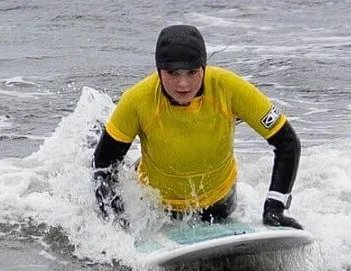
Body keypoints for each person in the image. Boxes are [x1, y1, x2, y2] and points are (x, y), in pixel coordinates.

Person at [93, 24, 303, 229]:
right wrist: (117, 223)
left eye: (192, 72)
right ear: (159, 71)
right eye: (173, 73)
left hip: (219, 202)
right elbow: (103, 164)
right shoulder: (136, 100)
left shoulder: (229, 88)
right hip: (155, 206)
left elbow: (287, 142)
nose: (183, 84)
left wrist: (274, 207)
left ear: (203, 67)